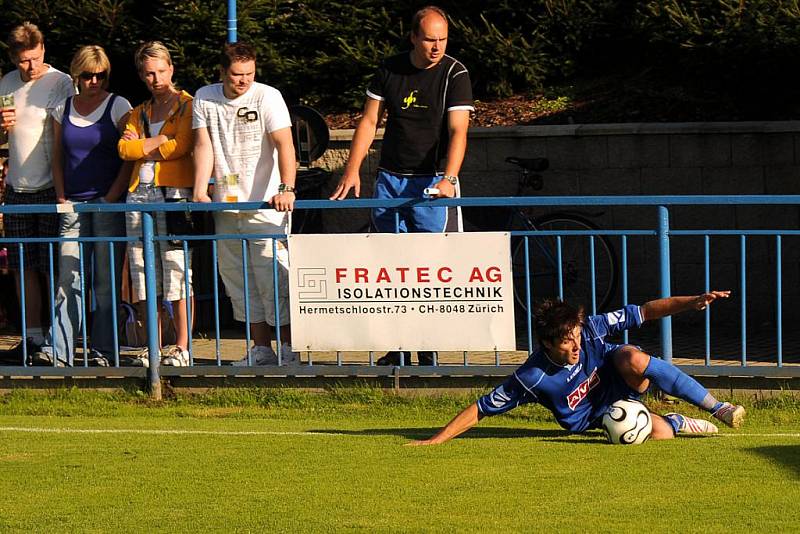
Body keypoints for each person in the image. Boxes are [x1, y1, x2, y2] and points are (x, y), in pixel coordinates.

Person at [329, 5, 474, 367]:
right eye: (429, 39)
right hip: (391, 179)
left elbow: (459, 130)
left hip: (432, 182)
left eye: (442, 39)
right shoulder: (390, 69)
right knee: (390, 265)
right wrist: (352, 170)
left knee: (429, 265)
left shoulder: (455, 72)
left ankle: (427, 346)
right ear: (413, 37)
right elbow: (369, 120)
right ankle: (397, 345)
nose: (436, 47)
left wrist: (449, 177)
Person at [410, 291, 746, 445]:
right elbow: (481, 409)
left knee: (634, 358)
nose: (575, 346)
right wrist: (437, 440)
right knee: (650, 433)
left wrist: (692, 302)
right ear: (546, 345)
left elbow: (645, 312)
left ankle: (719, 408)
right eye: (566, 343)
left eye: (576, 337)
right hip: (595, 415)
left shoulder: (590, 330)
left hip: (621, 378)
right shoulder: (532, 377)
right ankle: (674, 421)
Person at [192, 42, 298, 366]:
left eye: (249, 73)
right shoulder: (204, 97)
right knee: (238, 279)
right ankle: (261, 348)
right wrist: (199, 189)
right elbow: (203, 145)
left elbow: (285, 143)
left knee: (274, 278)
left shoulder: (268, 95)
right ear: (222, 72)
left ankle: (291, 350)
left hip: (267, 206)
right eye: (237, 75)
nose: (244, 81)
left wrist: (287, 188)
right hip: (226, 205)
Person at [29, 45, 132, 367]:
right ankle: (58, 351)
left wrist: (113, 196)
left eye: (100, 75)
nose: (94, 81)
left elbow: (130, 157)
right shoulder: (64, 107)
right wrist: (61, 195)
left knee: (105, 282)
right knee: (67, 279)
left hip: (106, 204)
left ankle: (104, 350)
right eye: (88, 75)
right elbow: (58, 154)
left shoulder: (119, 106)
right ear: (77, 75)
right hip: (72, 205)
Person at [0, 22, 75, 362]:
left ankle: (54, 339)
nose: (29, 67)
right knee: (21, 265)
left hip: (49, 188)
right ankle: (30, 337)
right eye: (22, 61)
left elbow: (68, 135)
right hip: (16, 187)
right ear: (13, 57)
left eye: (34, 58)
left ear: (43, 49)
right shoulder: (6, 82)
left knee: (51, 266)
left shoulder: (61, 82)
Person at [117, 41, 195, 367]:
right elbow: (124, 150)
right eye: (149, 73)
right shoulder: (139, 111)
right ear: (141, 75)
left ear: (171, 69)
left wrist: (149, 145)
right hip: (139, 194)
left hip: (174, 193)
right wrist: (160, 140)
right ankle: (153, 343)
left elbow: (182, 145)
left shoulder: (188, 104)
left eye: (161, 71)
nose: (156, 78)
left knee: (177, 271)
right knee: (143, 273)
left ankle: (182, 346)